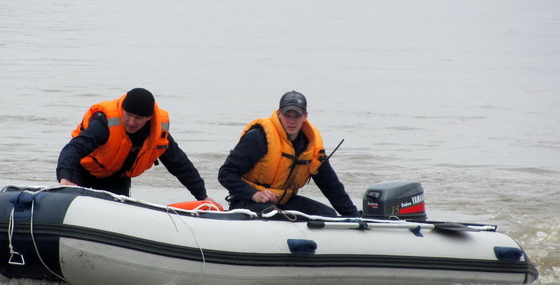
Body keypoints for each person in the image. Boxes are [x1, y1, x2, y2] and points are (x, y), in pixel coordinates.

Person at [57, 88, 214, 202]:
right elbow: (74, 148)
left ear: (149, 118)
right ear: (122, 110)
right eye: (128, 115)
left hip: (116, 179)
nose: (131, 122)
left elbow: (180, 165)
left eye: (138, 118)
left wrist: (203, 197)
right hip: (84, 172)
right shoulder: (104, 123)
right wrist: (64, 178)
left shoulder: (157, 132)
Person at [218, 90, 360, 217]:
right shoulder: (258, 137)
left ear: (305, 116)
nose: (291, 121)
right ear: (279, 114)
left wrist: (355, 217)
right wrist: (254, 194)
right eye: (287, 115)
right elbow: (226, 174)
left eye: (297, 116)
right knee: (273, 214)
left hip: (284, 202)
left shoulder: (311, 147)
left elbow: (332, 187)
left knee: (328, 214)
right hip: (247, 201)